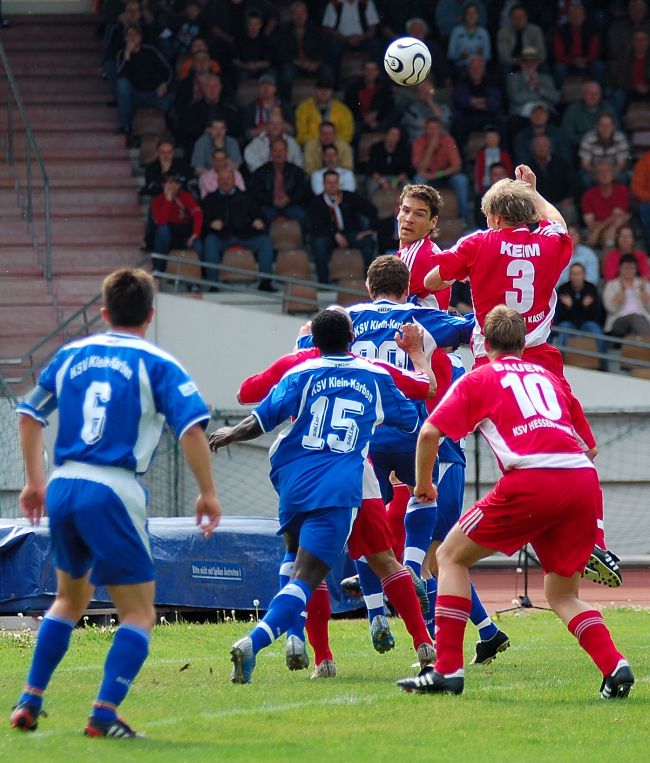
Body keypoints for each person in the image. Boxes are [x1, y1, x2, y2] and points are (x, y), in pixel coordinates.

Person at [9, 268, 221, 736]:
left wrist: (34, 482)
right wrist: (207, 491)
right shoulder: (158, 362)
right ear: (151, 314)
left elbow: (27, 413)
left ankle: (29, 700)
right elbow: (191, 430)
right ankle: (103, 714)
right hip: (113, 487)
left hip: (64, 483)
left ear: (104, 313)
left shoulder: (71, 354)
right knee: (139, 613)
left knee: (68, 600)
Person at [396, 306, 634, 698]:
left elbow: (428, 433)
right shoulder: (548, 377)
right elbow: (589, 449)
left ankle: (447, 670)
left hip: (532, 479)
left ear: (484, 342)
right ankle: (615, 665)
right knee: (562, 594)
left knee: (449, 556)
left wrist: (423, 485)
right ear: (524, 343)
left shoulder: (481, 377)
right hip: (580, 479)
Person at [423, 166, 623, 588]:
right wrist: (534, 192)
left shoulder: (478, 242)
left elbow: (431, 278)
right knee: (580, 450)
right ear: (529, 213)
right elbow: (558, 222)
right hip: (542, 361)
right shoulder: (548, 240)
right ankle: (594, 541)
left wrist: (465, 270)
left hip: (494, 363)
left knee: (519, 459)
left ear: (495, 217)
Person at [208, 308, 420, 684]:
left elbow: (253, 403)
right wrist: (418, 358)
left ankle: (307, 645)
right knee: (375, 560)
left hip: (294, 476)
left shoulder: (296, 368)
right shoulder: (375, 371)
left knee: (294, 557)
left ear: (312, 342)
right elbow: (414, 408)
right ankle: (419, 641)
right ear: (352, 338)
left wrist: (229, 434)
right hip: (346, 479)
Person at [297, 257, 474, 583]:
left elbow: (306, 348)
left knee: (369, 518)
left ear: (368, 287)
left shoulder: (346, 319)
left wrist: (303, 335)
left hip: (363, 436)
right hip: (410, 428)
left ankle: (376, 601)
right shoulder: (418, 318)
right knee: (423, 493)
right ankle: (413, 565)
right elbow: (472, 328)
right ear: (407, 289)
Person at [201, 168, 275, 290]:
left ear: (234, 180)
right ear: (217, 181)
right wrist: (210, 224)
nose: (225, 181)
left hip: (246, 236)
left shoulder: (246, 197)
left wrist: (258, 221)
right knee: (210, 241)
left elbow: (262, 217)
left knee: (265, 241)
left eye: (228, 178)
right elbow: (202, 221)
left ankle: (265, 283)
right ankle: (213, 284)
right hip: (222, 237)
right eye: (222, 179)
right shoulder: (210, 199)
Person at [306, 170, 378, 284]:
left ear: (339, 184)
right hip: (328, 236)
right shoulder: (316, 202)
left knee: (368, 242)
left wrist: (369, 230)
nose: (332, 185)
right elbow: (315, 225)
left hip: (351, 234)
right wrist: (335, 234)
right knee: (319, 244)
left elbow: (372, 209)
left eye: (335, 182)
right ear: (323, 185)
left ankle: (367, 280)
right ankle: (323, 282)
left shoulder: (349, 197)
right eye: (329, 182)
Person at [396, 183, 451, 310]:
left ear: (433, 222)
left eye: (419, 214)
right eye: (405, 210)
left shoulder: (419, 255)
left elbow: (390, 307)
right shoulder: (425, 249)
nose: (409, 219)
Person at [115, 25, 172, 142]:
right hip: (134, 96)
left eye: (135, 35)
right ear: (125, 38)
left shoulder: (150, 51)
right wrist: (127, 56)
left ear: (140, 38)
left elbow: (167, 71)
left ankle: (170, 133)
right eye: (129, 35)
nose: (132, 38)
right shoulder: (121, 54)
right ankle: (125, 127)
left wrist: (164, 84)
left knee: (169, 104)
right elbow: (120, 76)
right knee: (122, 83)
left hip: (153, 94)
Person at [411, 117, 470, 225]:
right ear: (425, 129)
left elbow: (457, 166)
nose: (433, 132)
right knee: (418, 179)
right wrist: (431, 148)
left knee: (461, 179)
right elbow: (420, 169)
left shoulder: (447, 140)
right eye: (430, 128)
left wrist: (438, 174)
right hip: (427, 176)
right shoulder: (419, 141)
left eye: (436, 128)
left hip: (444, 175)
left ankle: (463, 218)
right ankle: (420, 217)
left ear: (441, 129)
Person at [274, 1, 331, 101]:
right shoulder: (283, 30)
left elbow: (324, 50)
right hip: (294, 64)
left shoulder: (315, 29)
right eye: (296, 13)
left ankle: (325, 101)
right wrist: (299, 63)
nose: (299, 17)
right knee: (287, 73)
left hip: (312, 65)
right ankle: (285, 103)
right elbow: (280, 53)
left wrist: (316, 63)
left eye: (301, 13)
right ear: (291, 15)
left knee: (326, 72)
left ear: (306, 15)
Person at [150, 172, 203, 274]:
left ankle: (199, 276)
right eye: (169, 183)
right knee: (163, 230)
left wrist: (195, 234)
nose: (173, 186)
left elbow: (197, 214)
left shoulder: (185, 196)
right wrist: (168, 201)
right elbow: (161, 222)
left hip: (184, 233)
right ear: (163, 185)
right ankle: (158, 271)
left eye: (176, 183)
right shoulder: (157, 201)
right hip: (167, 235)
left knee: (198, 245)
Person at [251, 138, 309, 229]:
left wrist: (289, 199)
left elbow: (302, 191)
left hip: (291, 204)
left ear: (286, 153)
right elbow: (257, 193)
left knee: (302, 216)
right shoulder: (261, 172)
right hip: (269, 205)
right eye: (275, 151)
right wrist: (272, 200)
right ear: (271, 153)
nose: (278, 154)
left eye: (281, 151)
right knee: (261, 217)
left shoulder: (296, 171)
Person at [555, 263, 606, 365]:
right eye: (573, 274)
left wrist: (573, 305)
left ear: (584, 275)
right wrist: (577, 306)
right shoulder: (563, 289)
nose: (576, 277)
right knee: (564, 328)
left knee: (595, 329)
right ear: (570, 276)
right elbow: (559, 316)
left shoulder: (591, 289)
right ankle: (560, 364)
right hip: (569, 323)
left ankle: (603, 365)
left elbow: (596, 315)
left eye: (579, 274)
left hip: (587, 323)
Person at [452, 57, 504, 152]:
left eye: (479, 67)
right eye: (473, 67)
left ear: (483, 69)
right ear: (468, 69)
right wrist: (484, 102)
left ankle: (503, 156)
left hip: (489, 116)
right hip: (467, 116)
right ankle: (461, 157)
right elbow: (463, 102)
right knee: (457, 127)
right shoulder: (461, 82)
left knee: (502, 125)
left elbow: (494, 104)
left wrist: (472, 101)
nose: (476, 70)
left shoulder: (492, 82)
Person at [552, 1, 603, 88]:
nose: (576, 18)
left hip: (586, 62)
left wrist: (585, 60)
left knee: (598, 67)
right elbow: (559, 54)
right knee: (559, 68)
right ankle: (558, 92)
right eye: (573, 15)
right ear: (569, 17)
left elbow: (594, 52)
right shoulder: (561, 31)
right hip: (568, 63)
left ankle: (598, 91)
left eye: (579, 15)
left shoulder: (592, 30)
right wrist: (572, 61)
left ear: (584, 17)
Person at [581, 161, 630, 249]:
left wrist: (598, 229)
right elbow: (590, 223)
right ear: (596, 176)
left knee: (618, 222)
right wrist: (600, 229)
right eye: (601, 172)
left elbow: (617, 215)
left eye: (607, 171)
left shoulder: (621, 190)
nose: (604, 175)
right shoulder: (588, 195)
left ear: (613, 175)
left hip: (616, 230)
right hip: (597, 231)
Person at [243, 107, 304, 174]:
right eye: (272, 123)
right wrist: (269, 173)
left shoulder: (292, 143)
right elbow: (250, 161)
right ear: (267, 125)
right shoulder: (257, 143)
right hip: (264, 177)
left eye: (278, 124)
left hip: (288, 177)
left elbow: (299, 164)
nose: (275, 127)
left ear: (282, 126)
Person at [603, 254, 650, 337]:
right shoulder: (611, 285)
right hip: (619, 320)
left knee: (637, 322)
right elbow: (611, 308)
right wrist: (622, 290)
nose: (629, 271)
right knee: (634, 317)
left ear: (636, 269)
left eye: (632, 268)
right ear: (619, 268)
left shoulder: (644, 284)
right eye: (625, 268)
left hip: (642, 320)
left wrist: (643, 291)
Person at [295, 79, 355, 146]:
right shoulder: (303, 108)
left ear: (332, 92)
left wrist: (331, 141)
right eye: (320, 89)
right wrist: (320, 141)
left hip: (336, 147)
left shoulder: (343, 110)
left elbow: (347, 134)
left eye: (327, 89)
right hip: (312, 146)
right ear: (314, 91)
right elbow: (300, 135)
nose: (324, 92)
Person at [578, 113, 630, 189]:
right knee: (586, 179)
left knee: (623, 178)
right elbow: (585, 164)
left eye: (609, 125)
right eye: (602, 125)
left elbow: (621, 164)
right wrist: (599, 173)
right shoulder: (588, 137)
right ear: (597, 126)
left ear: (613, 126)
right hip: (594, 170)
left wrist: (609, 174)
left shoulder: (620, 138)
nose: (606, 128)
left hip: (613, 170)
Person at [497, 4, 546, 73]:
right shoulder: (503, 32)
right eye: (515, 17)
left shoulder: (535, 31)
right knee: (506, 69)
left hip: (532, 63)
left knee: (544, 69)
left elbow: (542, 54)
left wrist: (530, 62)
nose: (519, 20)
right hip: (512, 64)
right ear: (510, 18)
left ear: (526, 18)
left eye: (522, 17)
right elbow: (503, 56)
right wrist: (518, 62)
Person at [366, 126, 412, 197]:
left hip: (396, 177)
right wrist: (382, 181)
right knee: (371, 184)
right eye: (392, 134)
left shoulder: (403, 150)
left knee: (407, 184)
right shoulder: (376, 148)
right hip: (379, 177)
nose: (394, 137)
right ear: (386, 135)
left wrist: (395, 180)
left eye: (396, 135)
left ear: (399, 138)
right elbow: (371, 169)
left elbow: (406, 170)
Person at [447, 3, 491, 73]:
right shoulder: (456, 31)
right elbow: (450, 55)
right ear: (464, 15)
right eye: (468, 13)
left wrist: (481, 54)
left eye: (474, 13)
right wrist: (461, 56)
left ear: (478, 15)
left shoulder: (483, 32)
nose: (471, 16)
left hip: (478, 67)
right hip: (462, 66)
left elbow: (487, 56)